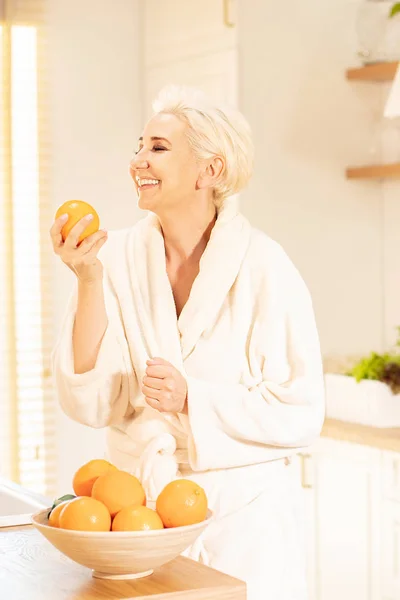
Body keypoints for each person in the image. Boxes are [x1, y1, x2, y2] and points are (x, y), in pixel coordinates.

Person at [50, 85, 325, 600]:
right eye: (139, 145)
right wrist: (87, 277)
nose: (137, 160)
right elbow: (89, 398)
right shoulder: (121, 259)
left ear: (210, 171)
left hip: (243, 526)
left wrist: (192, 399)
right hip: (138, 526)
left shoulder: (265, 267)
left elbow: (301, 410)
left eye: (157, 147)